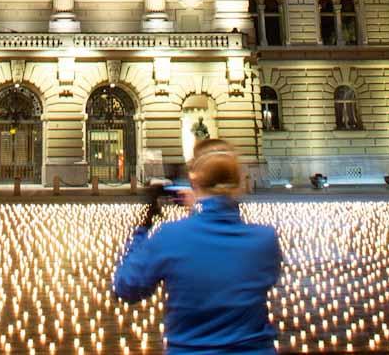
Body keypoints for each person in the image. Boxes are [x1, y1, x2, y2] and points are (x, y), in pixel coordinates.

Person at [112, 142, 281, 355]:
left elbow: (126, 287)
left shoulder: (170, 236)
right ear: (239, 182)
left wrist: (144, 225)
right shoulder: (265, 240)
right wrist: (197, 211)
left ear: (195, 182)